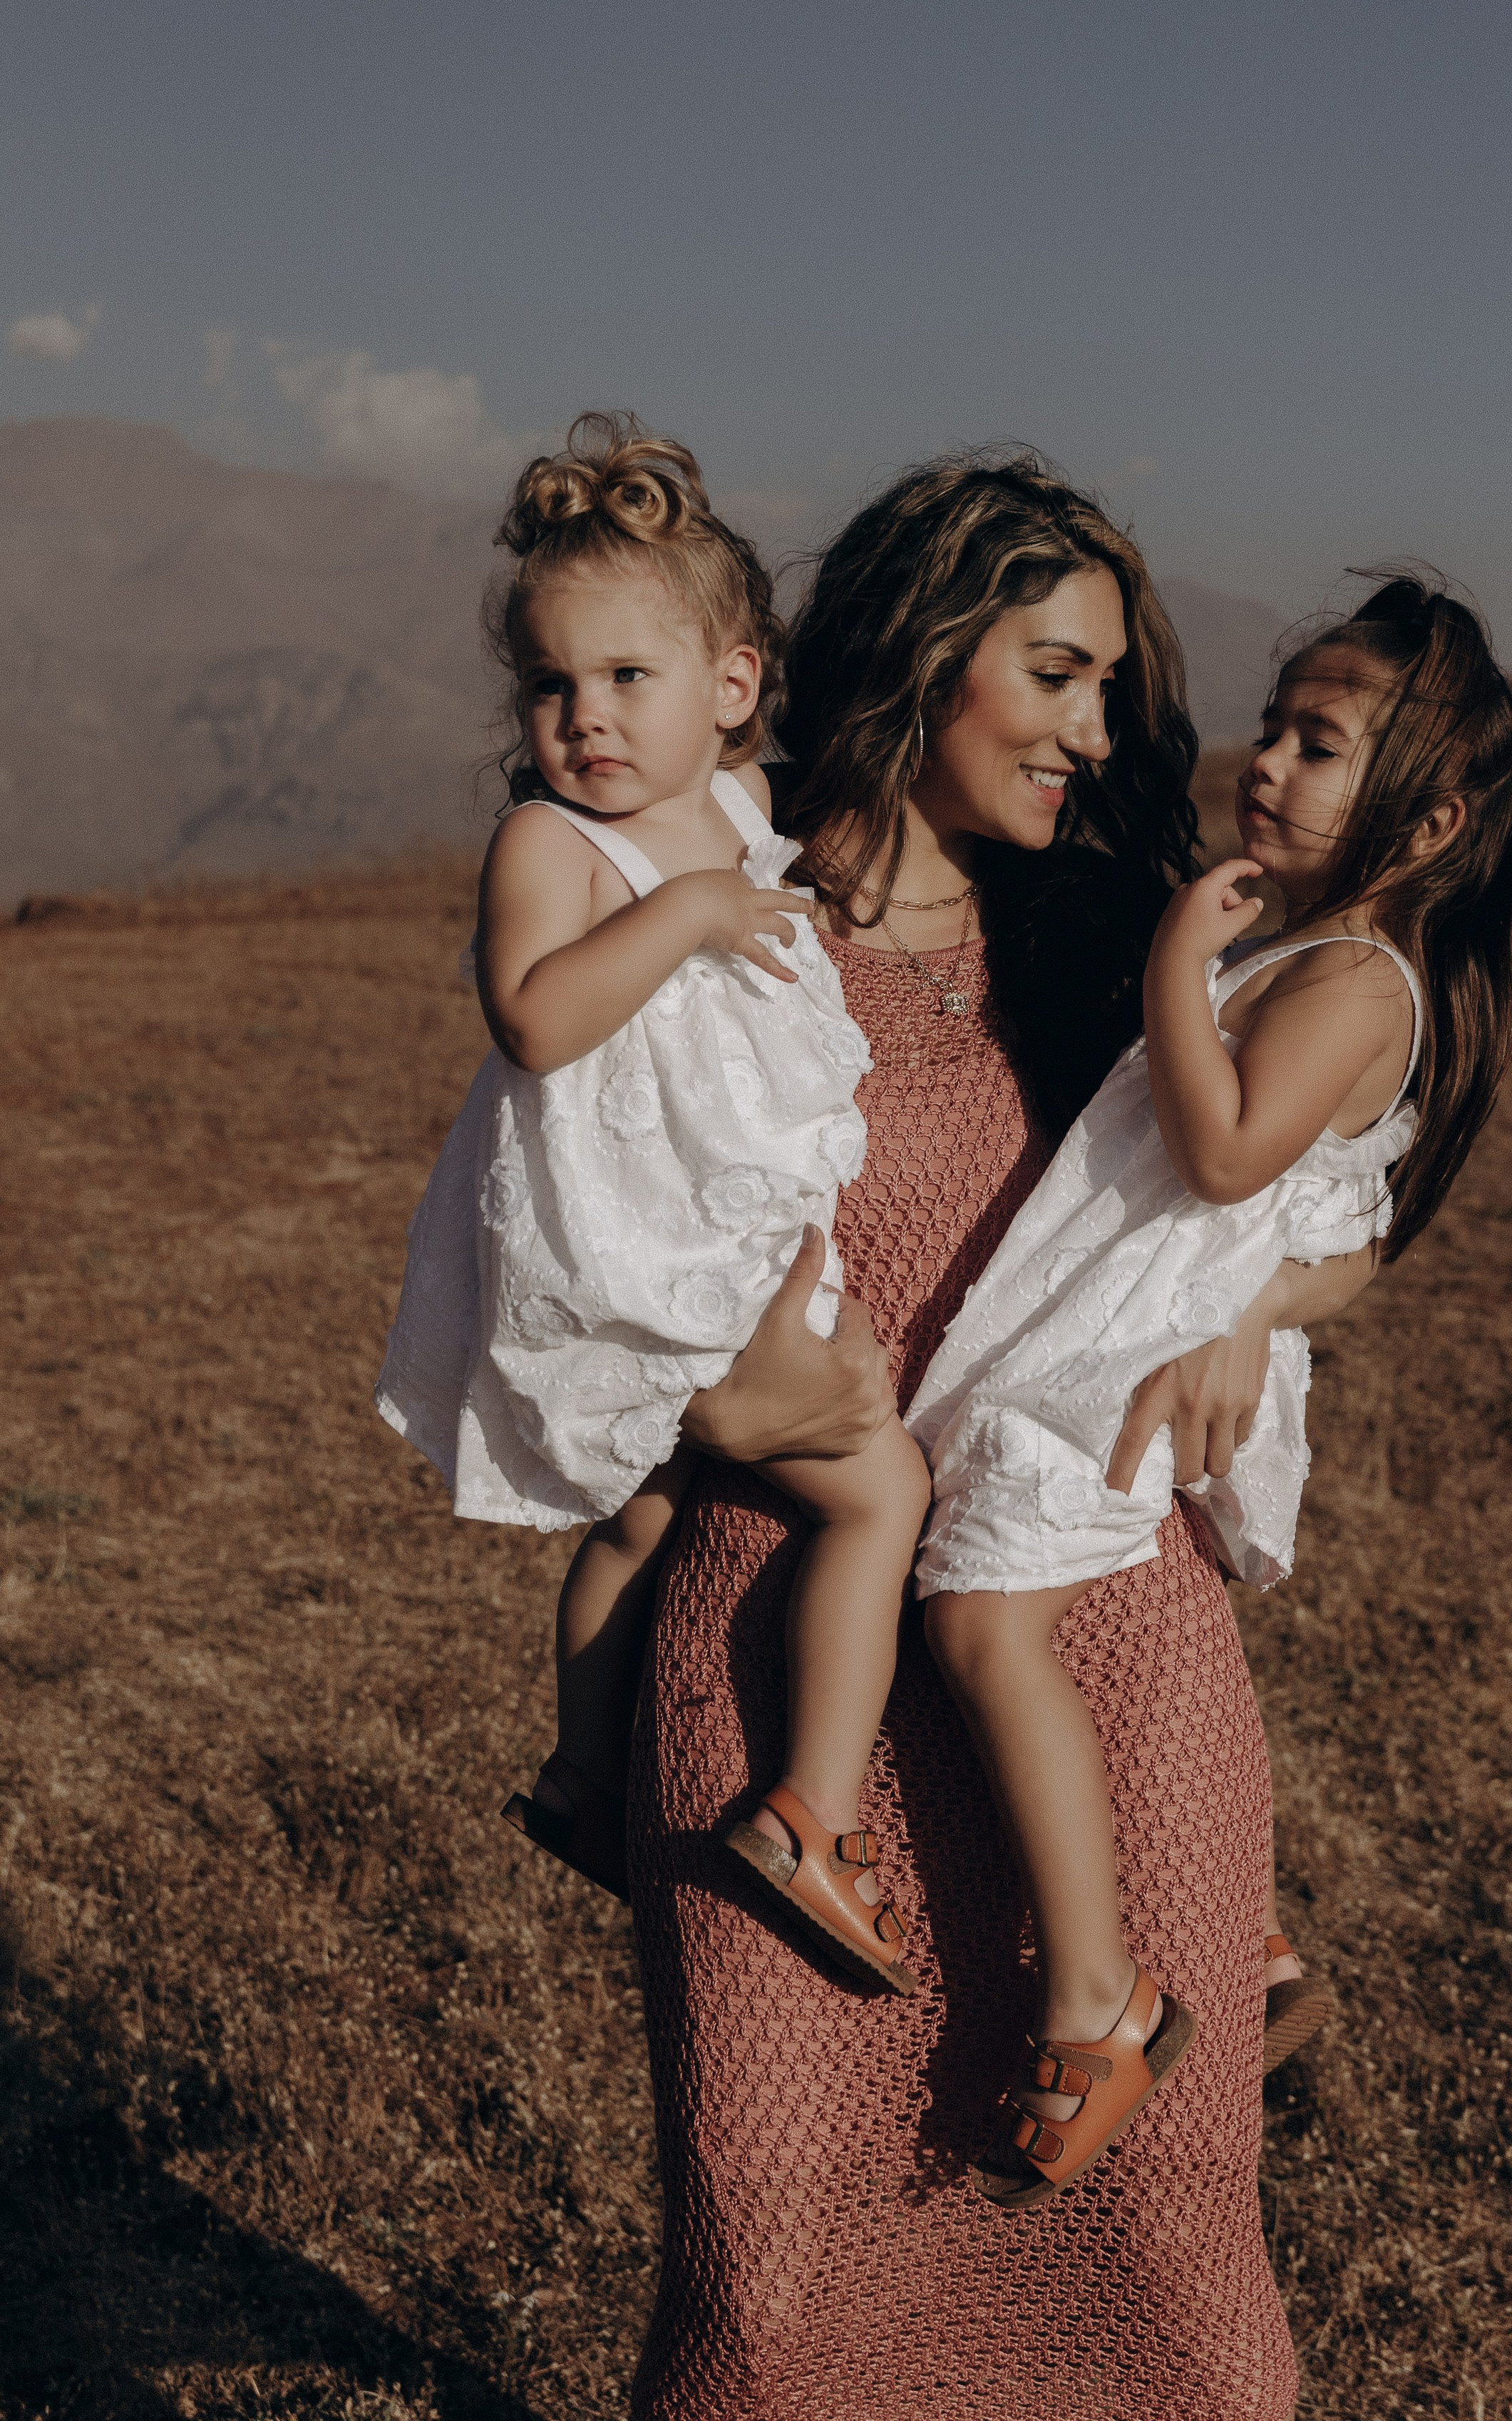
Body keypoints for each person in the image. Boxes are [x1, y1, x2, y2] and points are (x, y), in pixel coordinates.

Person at [624, 451, 1374, 2421]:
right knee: (771, 2274)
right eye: (1054, 674)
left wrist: (1250, 1309)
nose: (1093, 731)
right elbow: (565, 1260)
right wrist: (712, 1397)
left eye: (1110, 688)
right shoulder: (702, 921)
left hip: (1103, 1638)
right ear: (930, 649)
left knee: (1165, 2255)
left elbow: (1337, 1208)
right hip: (799, 1662)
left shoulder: (1115, 948)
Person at [907, 572, 1512, 2206]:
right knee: (1002, 1615)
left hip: (1131, 1361)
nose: (1265, 763)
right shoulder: (1311, 951)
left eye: (1316, 744)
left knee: (987, 1621)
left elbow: (1226, 1147)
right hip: (1106, 1329)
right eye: (1273, 726)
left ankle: (1099, 1998)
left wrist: (1174, 969)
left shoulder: (1349, 982)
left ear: (1426, 818)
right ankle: (1189, 1931)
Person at [375, 414, 930, 1990]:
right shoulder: (550, 844)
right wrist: (685, 912)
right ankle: (811, 1812)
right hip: (628, 1245)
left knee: (647, 1509)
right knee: (875, 1492)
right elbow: (536, 1020)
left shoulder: (745, 816)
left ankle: (583, 1783)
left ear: (733, 690)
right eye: (552, 685)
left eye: (627, 679)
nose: (585, 718)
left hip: (711, 1232)